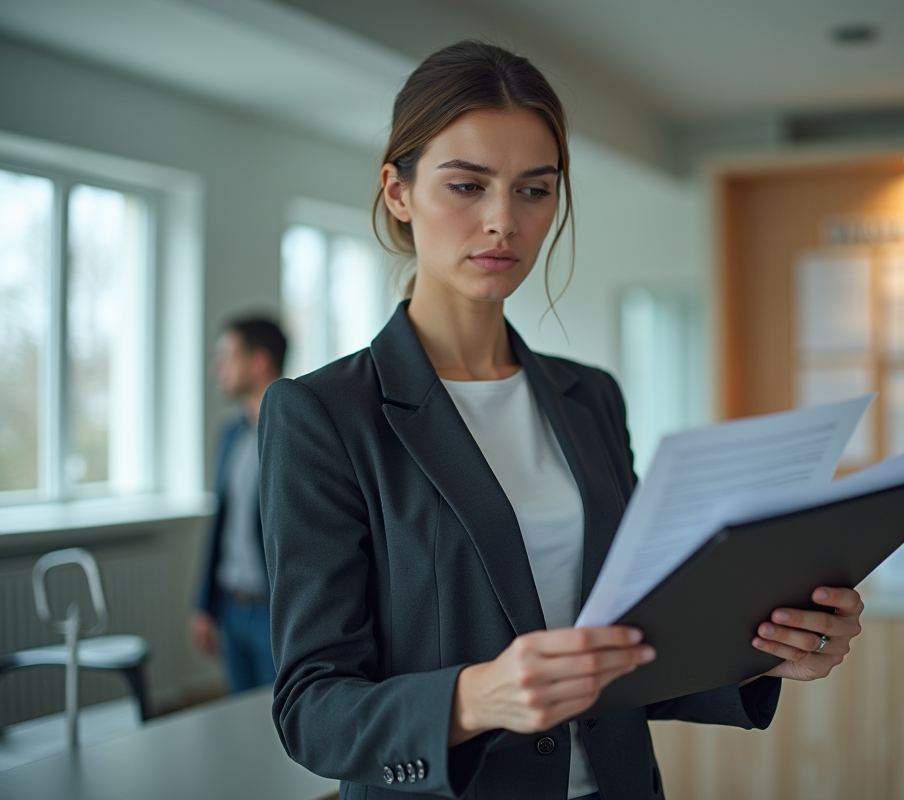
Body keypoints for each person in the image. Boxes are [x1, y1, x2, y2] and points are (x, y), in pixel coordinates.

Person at [260, 41, 864, 799]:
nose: (502, 221)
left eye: (534, 190)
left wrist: (766, 653)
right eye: (467, 185)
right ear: (398, 191)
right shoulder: (323, 415)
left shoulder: (591, 399)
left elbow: (636, 647)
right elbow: (312, 711)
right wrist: (474, 698)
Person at [193, 317, 287, 693]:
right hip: (232, 607)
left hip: (274, 613)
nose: (217, 368)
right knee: (240, 721)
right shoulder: (230, 434)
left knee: (279, 730)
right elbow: (222, 522)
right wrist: (204, 605)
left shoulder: (298, 433)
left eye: (226, 357)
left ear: (259, 361)